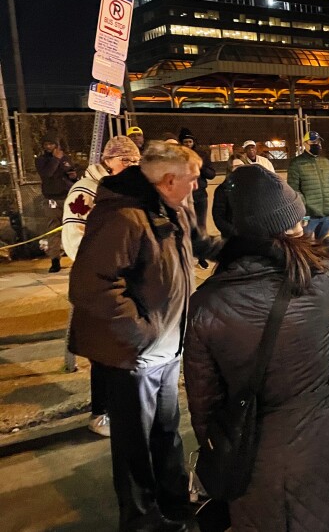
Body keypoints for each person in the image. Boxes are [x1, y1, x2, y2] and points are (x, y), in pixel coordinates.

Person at [184, 165, 329, 531]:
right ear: (290, 226)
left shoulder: (205, 305)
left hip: (257, 468)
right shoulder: (324, 280)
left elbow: (205, 409)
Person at [68, 143, 219, 532]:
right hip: (133, 355)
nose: (198, 184)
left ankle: (173, 504)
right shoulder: (124, 218)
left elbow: (199, 245)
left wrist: (248, 246)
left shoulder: (174, 207)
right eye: (193, 177)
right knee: (135, 445)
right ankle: (141, 521)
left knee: (166, 433)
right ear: (169, 180)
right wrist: (143, 333)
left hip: (166, 349)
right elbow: (91, 286)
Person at [62, 135, 141, 438]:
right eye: (125, 160)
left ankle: (121, 405)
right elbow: (74, 239)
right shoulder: (84, 193)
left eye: (135, 161)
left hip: (123, 280)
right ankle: (101, 412)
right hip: (98, 282)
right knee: (102, 350)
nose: (130, 166)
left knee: (122, 346)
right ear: (108, 161)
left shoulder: (128, 189)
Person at [35, 134, 79, 272]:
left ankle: (77, 257)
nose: (48, 146)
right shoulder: (41, 160)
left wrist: (74, 176)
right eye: (46, 144)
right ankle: (55, 260)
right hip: (52, 199)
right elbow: (47, 174)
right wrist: (55, 159)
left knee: (74, 227)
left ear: (56, 144)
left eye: (51, 144)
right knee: (53, 229)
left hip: (68, 197)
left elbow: (70, 174)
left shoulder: (65, 158)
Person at [286, 131, 329, 239]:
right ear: (305, 144)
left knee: (326, 245)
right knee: (306, 246)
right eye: (313, 142)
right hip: (309, 216)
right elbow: (293, 189)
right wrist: (305, 206)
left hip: (326, 214)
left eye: (318, 141)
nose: (317, 144)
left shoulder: (325, 162)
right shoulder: (296, 163)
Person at [180, 130, 216, 268]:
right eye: (185, 142)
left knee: (201, 227)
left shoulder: (201, 155)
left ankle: (201, 256)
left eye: (190, 141)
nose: (188, 144)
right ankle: (187, 256)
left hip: (200, 195)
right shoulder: (179, 156)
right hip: (183, 196)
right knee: (185, 226)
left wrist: (198, 167)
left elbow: (211, 174)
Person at [211, 153, 246, 239]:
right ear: (230, 169)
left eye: (242, 165)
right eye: (236, 166)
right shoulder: (222, 190)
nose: (239, 169)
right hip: (232, 238)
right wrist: (234, 232)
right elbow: (218, 217)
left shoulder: (254, 186)